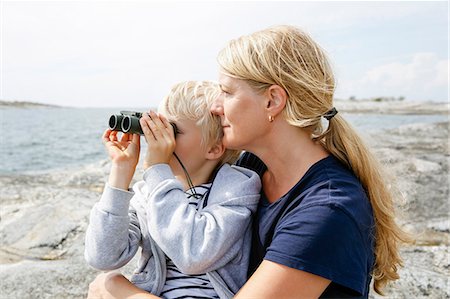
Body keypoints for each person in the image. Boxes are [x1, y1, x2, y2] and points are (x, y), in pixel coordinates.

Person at [87, 25, 410, 299]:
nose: (215, 107)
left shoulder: (327, 210)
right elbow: (107, 251)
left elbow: (192, 254)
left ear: (272, 100)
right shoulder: (253, 166)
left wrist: (119, 290)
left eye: (226, 92)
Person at [85, 81, 261, 299]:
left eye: (172, 131)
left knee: (109, 284)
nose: (158, 139)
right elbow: (103, 257)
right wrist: (121, 170)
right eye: (157, 128)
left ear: (214, 148)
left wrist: (157, 170)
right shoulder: (149, 193)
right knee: (109, 281)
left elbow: (193, 255)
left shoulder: (236, 188)